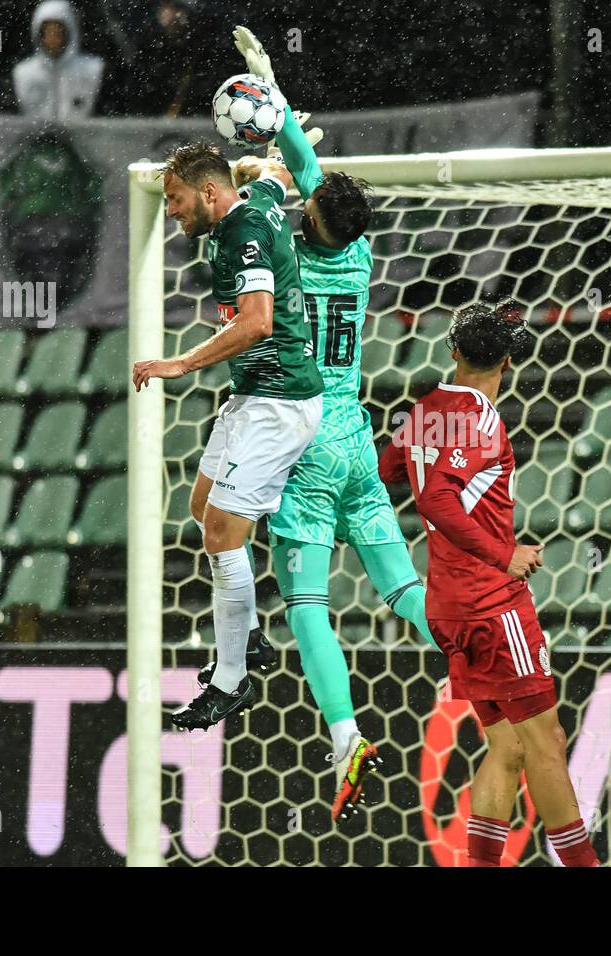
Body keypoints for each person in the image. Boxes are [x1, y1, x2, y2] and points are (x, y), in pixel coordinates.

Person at [194, 25, 440, 823]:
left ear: (308, 219)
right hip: (360, 443)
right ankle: (497, 650)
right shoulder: (360, 256)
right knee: (404, 588)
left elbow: (293, 177)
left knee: (308, 606)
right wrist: (284, 116)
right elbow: (308, 176)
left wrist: (274, 105)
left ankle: (345, 735)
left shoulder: (284, 253)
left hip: (304, 438)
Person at [378, 303, 599, 867]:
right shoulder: (480, 418)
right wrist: (505, 554)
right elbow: (438, 498)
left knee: (509, 745)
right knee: (546, 744)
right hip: (492, 605)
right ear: (508, 358)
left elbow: (389, 471)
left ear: (452, 352)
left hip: (448, 606)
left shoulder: (426, 408)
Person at [133, 141, 323, 731]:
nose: (170, 210)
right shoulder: (255, 202)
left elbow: (258, 320)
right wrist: (271, 146)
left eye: (176, 198)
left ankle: (230, 680)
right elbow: (271, 174)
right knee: (201, 507)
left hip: (279, 400)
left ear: (208, 194)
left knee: (220, 533)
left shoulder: (243, 238)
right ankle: (251, 638)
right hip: (254, 396)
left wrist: (179, 364)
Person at [13, 0, 105, 121]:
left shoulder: (93, 69)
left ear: (70, 32)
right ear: (38, 34)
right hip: (34, 138)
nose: (53, 39)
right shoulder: (23, 72)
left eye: (58, 32)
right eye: (48, 33)